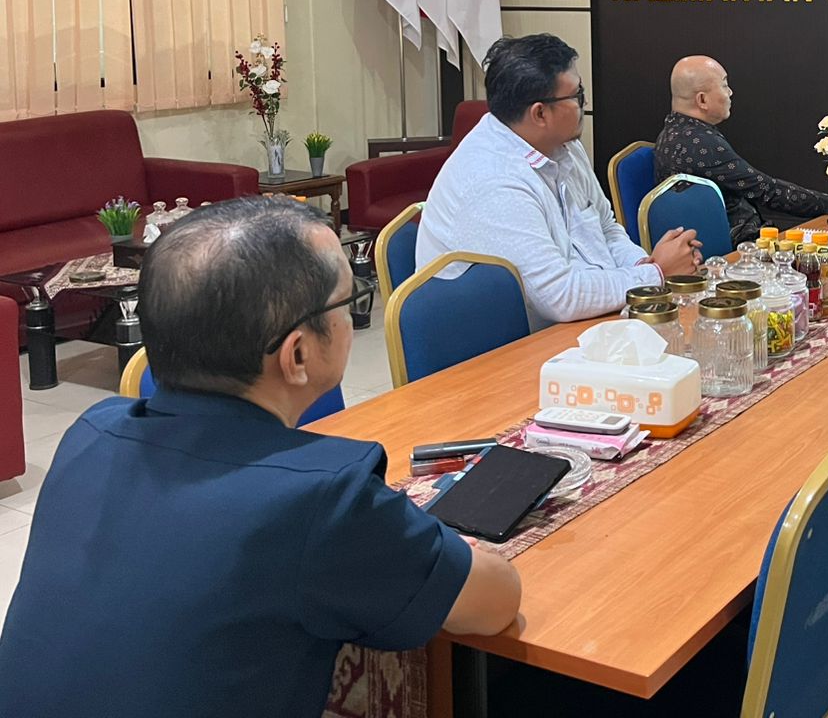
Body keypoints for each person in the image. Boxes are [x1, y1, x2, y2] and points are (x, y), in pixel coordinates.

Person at [0, 197, 521, 718]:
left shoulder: (90, 434)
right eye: (347, 302)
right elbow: (494, 604)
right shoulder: (324, 498)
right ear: (297, 354)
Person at [418, 34, 700, 326]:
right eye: (576, 96)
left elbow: (606, 229)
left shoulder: (562, 145)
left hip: (577, 324)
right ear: (540, 113)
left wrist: (642, 265)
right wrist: (655, 275)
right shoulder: (494, 181)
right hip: (507, 348)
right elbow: (559, 296)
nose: (585, 103)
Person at [654, 55, 828, 244]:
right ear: (702, 99)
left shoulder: (674, 132)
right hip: (740, 249)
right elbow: (765, 190)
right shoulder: (700, 144)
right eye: (724, 85)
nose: (730, 92)